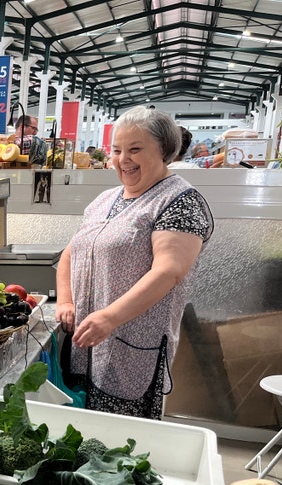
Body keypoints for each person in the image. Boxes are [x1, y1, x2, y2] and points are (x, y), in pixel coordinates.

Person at [55, 106, 213, 419]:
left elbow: (169, 271)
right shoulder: (105, 200)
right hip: (85, 343)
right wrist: (65, 300)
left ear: (165, 150)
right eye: (116, 150)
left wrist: (110, 318)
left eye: (135, 149)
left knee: (119, 448)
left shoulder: (179, 201)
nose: (123, 159)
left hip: (131, 347)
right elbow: (70, 253)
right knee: (81, 434)